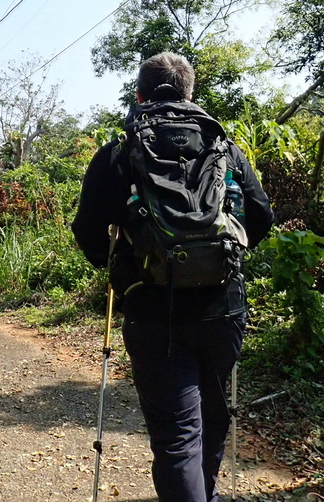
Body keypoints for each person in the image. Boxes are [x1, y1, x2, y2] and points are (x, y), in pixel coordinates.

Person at [72, 52, 273, 502]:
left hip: (152, 310)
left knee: (178, 437)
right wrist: (218, 258)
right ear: (189, 92)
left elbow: (87, 231)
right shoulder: (224, 148)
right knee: (214, 420)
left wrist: (122, 271)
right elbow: (261, 217)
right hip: (223, 309)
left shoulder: (120, 153)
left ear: (139, 95)